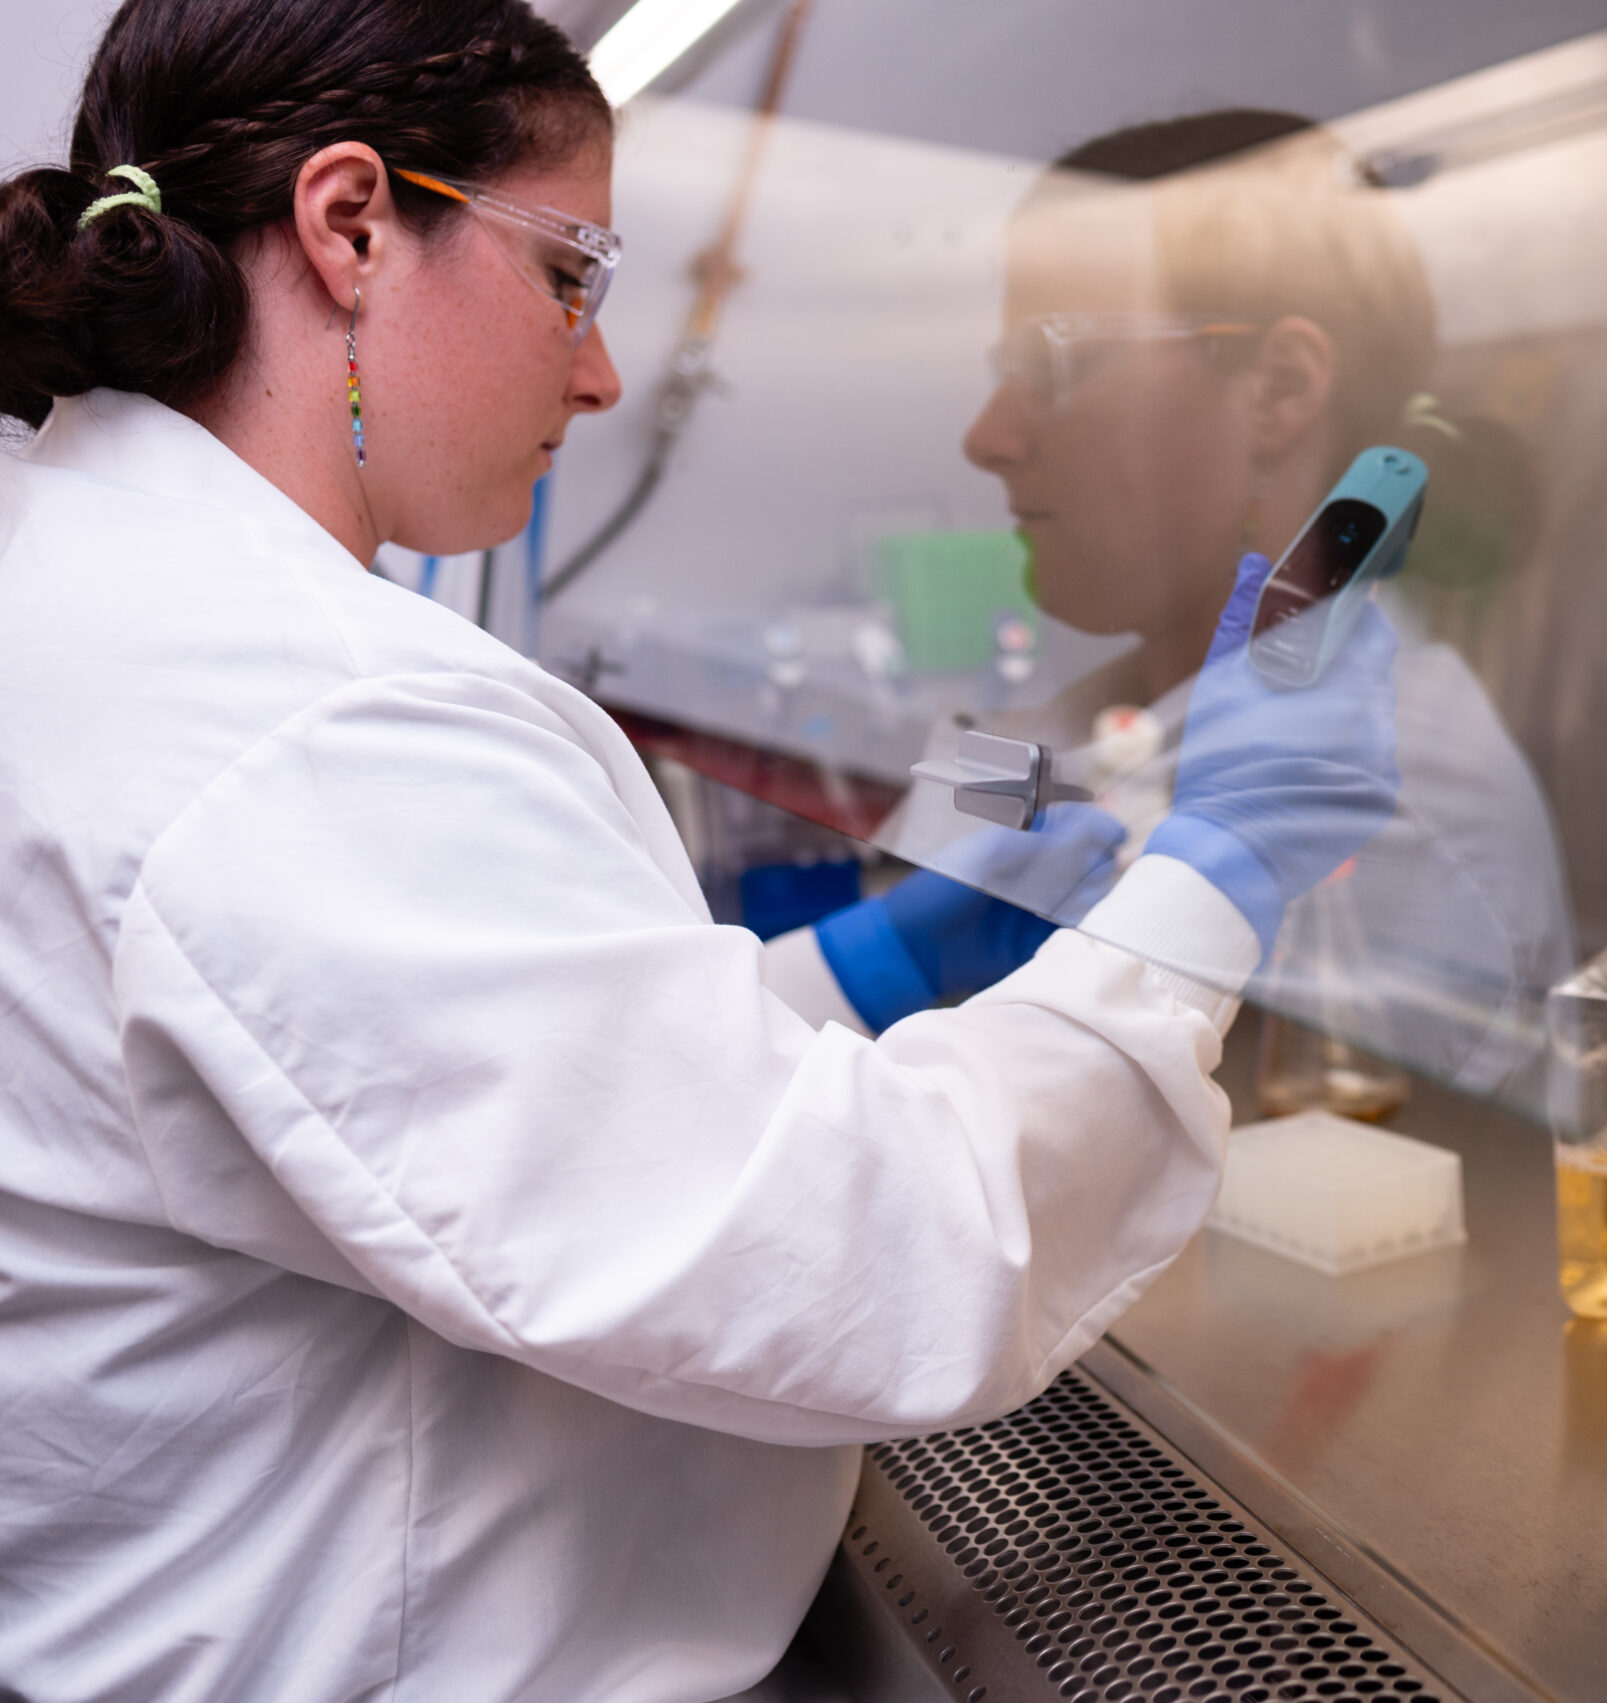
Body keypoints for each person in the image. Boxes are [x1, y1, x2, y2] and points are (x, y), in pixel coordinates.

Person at [0, 4, 1397, 1698]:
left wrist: (857, 973)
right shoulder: (297, 724)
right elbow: (882, 1253)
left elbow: (496, 1100)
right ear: (351, 225)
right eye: (568, 275)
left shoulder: (115, 595)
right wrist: (1213, 877)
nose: (599, 371)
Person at [813, 112, 1573, 1097]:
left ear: (1279, 390)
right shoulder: (1076, 727)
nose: (986, 436)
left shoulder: (1374, 802)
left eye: (1055, 363)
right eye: (1006, 374)